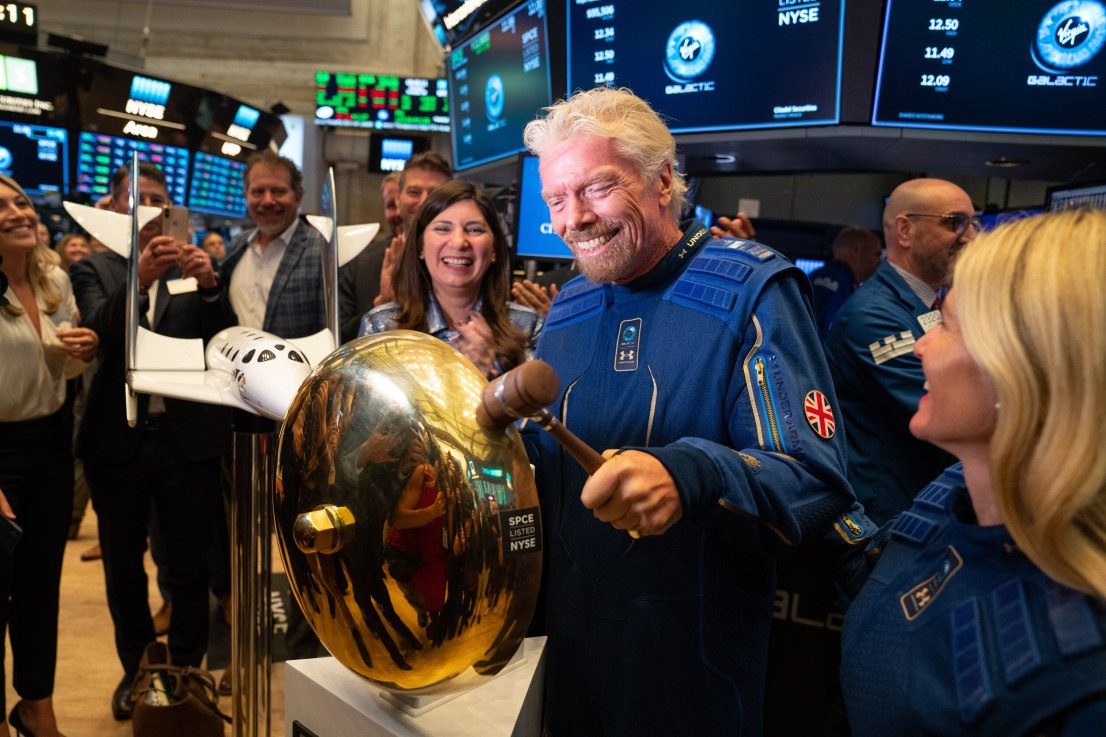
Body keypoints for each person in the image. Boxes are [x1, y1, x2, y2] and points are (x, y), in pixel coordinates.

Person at [519, 87, 857, 736]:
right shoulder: (567, 306)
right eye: (556, 199)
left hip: (693, 675)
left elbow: (815, 480)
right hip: (570, 656)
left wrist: (687, 474)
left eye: (594, 189)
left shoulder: (753, 287)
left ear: (663, 180)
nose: (572, 220)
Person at [840, 208, 1106, 736]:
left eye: (948, 327)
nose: (921, 345)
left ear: (1024, 373)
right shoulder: (958, 494)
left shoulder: (1080, 681)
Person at [69, 162, 234, 720]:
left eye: (160, 200)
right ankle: (138, 668)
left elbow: (224, 342)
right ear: (115, 209)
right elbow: (98, 332)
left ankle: (186, 669)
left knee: (190, 565)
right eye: (137, 199)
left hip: (186, 440)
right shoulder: (95, 269)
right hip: (118, 440)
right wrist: (138, 279)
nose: (149, 209)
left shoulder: (194, 268)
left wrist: (211, 290)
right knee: (122, 565)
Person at [0, 173, 98, 737]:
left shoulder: (54, 278)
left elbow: (64, 368)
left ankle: (37, 708)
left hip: (49, 448)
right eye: (3, 206)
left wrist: (82, 350)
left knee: (39, 589)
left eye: (22, 200)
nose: (20, 211)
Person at [824, 178, 978, 526]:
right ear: (905, 230)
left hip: (921, 503)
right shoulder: (874, 316)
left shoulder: (933, 303)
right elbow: (953, 418)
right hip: (885, 520)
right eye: (955, 222)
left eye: (972, 223)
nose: (969, 237)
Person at [360, 179, 540, 380]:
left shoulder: (529, 327)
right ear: (420, 246)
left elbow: (539, 411)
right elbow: (365, 410)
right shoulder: (381, 327)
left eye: (474, 230)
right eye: (443, 229)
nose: (459, 242)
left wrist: (488, 376)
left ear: (495, 249)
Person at [220, 150, 327, 339]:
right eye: (258, 192)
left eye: (278, 191)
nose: (267, 201)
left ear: (298, 197)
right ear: (246, 196)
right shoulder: (237, 245)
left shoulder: (321, 250)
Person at [373, 152, 453, 307]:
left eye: (435, 194)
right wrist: (384, 307)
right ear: (398, 199)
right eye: (414, 192)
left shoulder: (468, 262)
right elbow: (343, 329)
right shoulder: (361, 266)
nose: (423, 202)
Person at [338, 172, 403, 342]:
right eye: (391, 205)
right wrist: (380, 307)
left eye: (402, 203)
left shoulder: (444, 262)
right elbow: (341, 334)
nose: (399, 213)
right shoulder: (361, 263)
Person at [807, 225, 883, 341]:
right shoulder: (832, 282)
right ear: (856, 249)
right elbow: (815, 335)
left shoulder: (824, 277)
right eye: (877, 254)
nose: (879, 261)